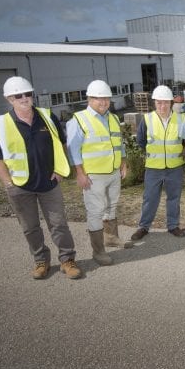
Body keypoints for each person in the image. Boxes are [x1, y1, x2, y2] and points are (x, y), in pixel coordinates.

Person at [0, 76, 82, 280]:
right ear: (9, 99)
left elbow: (62, 144)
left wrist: (59, 171)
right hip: (20, 187)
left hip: (49, 184)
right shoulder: (1, 124)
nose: (24, 98)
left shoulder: (48, 117)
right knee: (30, 227)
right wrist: (8, 183)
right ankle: (41, 262)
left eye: (27, 94)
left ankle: (67, 260)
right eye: (18, 95)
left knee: (59, 224)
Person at [66, 79, 132, 267]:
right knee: (95, 211)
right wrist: (79, 172)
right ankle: (98, 251)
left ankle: (111, 237)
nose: (103, 102)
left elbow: (119, 143)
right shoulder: (79, 119)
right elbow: (73, 149)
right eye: (98, 99)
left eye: (106, 99)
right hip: (93, 175)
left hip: (113, 171)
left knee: (112, 205)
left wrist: (123, 162)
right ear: (89, 99)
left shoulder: (112, 117)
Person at [130, 85, 185, 240]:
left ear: (171, 103)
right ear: (154, 103)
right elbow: (141, 141)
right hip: (153, 167)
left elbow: (184, 141)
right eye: (159, 103)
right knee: (150, 198)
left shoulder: (181, 119)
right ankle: (144, 227)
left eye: (165, 103)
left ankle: (173, 226)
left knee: (174, 198)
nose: (162, 106)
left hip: (175, 167)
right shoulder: (147, 119)